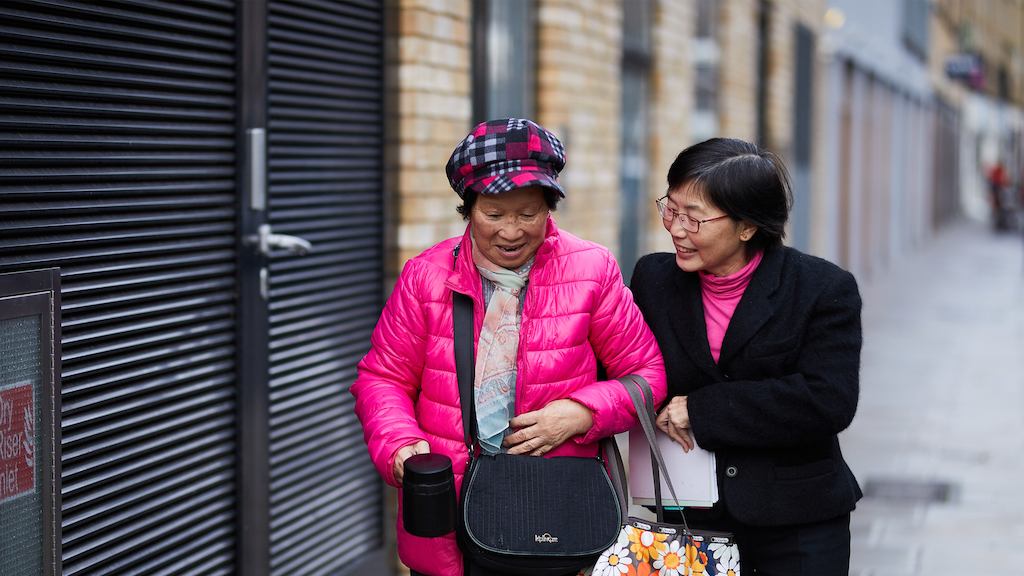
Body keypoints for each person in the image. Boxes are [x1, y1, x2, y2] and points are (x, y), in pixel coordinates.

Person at [351, 118, 666, 576]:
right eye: (494, 215)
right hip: (449, 517)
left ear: (548, 208)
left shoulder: (593, 271)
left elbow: (647, 375)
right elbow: (383, 378)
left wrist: (582, 414)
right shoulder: (426, 276)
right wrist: (400, 444)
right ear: (469, 208)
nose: (512, 232)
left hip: (555, 516)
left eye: (528, 213)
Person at [630, 138, 862, 575]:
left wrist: (700, 410)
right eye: (671, 209)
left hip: (798, 518)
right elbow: (626, 366)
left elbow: (828, 398)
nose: (676, 229)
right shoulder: (652, 278)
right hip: (689, 517)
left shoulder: (820, 288)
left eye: (694, 218)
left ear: (747, 227)